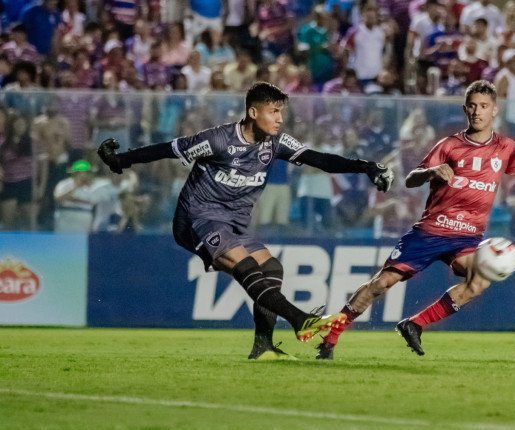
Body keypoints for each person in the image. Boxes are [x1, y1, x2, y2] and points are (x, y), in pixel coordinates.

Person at [96, 82, 395, 360]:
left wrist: (365, 166)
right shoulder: (217, 140)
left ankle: (263, 347)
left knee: (272, 267)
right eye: (273, 111)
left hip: (233, 224)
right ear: (253, 112)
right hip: (197, 218)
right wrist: (120, 160)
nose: (279, 119)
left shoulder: (275, 143)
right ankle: (301, 320)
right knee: (248, 267)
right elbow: (169, 150)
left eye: (281, 112)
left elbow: (321, 159)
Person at [315, 80, 515, 360]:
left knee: (479, 281)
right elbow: (410, 179)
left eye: (483, 105)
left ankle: (415, 324)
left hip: (467, 238)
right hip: (431, 232)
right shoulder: (449, 145)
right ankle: (332, 335)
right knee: (383, 283)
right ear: (465, 109)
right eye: (472, 105)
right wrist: (431, 172)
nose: (477, 111)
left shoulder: (505, 148)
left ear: (494, 110)